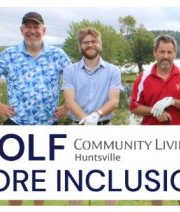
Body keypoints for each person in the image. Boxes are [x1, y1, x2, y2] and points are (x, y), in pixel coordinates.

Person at [0, 11, 71, 206]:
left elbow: (75, 80)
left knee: (40, 178)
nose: (32, 31)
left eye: (36, 27)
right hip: (16, 124)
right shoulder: (9, 54)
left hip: (48, 124)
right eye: (28, 27)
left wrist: (67, 106)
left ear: (43, 30)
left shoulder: (58, 54)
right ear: (22, 30)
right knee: (16, 179)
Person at [129, 34, 180, 206]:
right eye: (162, 52)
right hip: (152, 138)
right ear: (155, 53)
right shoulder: (143, 77)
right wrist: (154, 112)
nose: (165, 56)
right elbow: (134, 106)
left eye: (169, 52)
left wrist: (173, 101)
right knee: (157, 183)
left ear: (175, 53)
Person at [62, 27, 123, 205]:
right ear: (80, 46)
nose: (90, 45)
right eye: (86, 42)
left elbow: (114, 101)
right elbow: (69, 102)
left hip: (105, 128)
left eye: (93, 41)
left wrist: (95, 116)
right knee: (76, 183)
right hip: (77, 129)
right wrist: (86, 120)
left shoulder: (113, 70)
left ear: (100, 44)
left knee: (109, 184)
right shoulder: (70, 70)